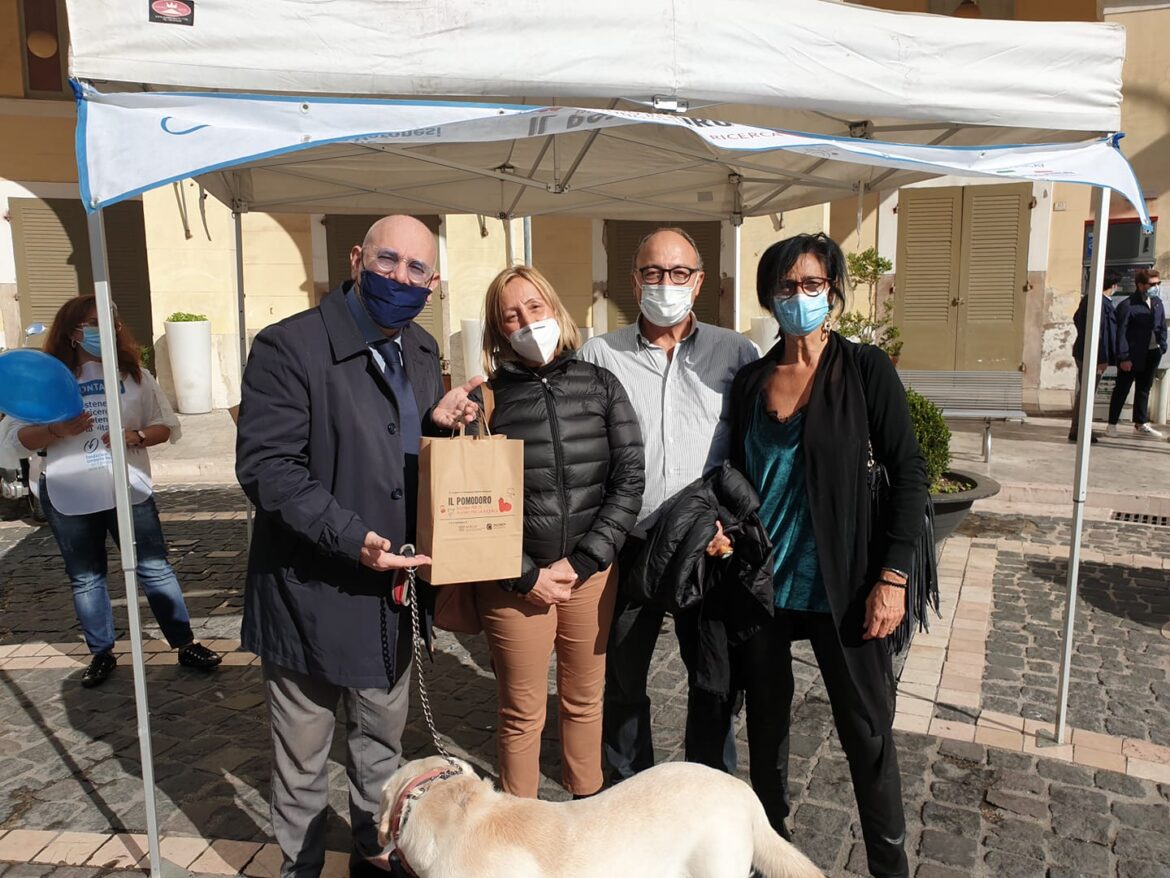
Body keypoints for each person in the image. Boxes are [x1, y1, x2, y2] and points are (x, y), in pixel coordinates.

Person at [235, 215, 482, 878]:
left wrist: (438, 427)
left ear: (432, 281)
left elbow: (401, 452)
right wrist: (352, 538)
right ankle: (303, 867)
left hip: (391, 600)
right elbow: (268, 468)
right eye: (389, 261)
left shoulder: (423, 350)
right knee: (303, 764)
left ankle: (373, 858)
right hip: (309, 592)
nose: (401, 278)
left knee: (379, 748)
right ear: (356, 259)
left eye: (417, 269)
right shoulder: (289, 347)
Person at [729, 233, 926, 878]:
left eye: (813, 284)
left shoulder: (866, 370)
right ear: (770, 294)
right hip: (766, 586)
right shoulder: (753, 380)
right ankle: (774, 856)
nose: (800, 297)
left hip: (846, 591)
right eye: (787, 286)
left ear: (834, 293)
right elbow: (736, 475)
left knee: (867, 732)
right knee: (767, 732)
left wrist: (892, 577)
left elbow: (911, 472)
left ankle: (888, 867)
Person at [578, 227, 758, 781]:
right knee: (622, 680)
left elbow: (752, 450)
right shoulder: (599, 354)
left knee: (712, 680)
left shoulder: (735, 352)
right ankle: (629, 789)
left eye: (678, 274)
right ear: (634, 280)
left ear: (698, 281)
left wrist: (736, 526)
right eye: (653, 273)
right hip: (628, 545)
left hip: (708, 545)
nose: (665, 284)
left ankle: (707, 792)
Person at [473, 265, 644, 798]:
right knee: (522, 712)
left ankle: (586, 806)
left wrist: (586, 560)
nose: (526, 321)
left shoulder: (600, 383)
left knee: (584, 701)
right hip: (515, 585)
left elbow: (629, 478)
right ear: (499, 331)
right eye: (511, 315)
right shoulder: (487, 401)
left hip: (588, 577)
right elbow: (471, 508)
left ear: (554, 309)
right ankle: (515, 827)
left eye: (534, 307)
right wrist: (526, 577)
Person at [2, 296, 221, 687]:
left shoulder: (134, 375)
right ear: (72, 332)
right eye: (92, 322)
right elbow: (12, 440)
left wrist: (134, 436)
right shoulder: (48, 380)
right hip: (69, 492)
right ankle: (101, 653)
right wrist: (56, 431)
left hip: (127, 487)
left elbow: (165, 426)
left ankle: (185, 643)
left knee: (154, 567)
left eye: (111, 321)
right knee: (86, 577)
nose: (104, 329)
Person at [1107, 267, 1167, 439]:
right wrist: (1124, 357)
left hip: (1152, 353)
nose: (1156, 287)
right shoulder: (1128, 305)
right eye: (1152, 284)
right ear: (1141, 285)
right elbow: (1121, 333)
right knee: (1122, 389)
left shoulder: (1157, 302)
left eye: (1158, 283)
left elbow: (1161, 325)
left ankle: (1140, 423)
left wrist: (1162, 345)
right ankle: (1112, 424)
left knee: (1144, 388)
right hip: (1132, 355)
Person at [1068, 270, 1120, 444]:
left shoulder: (1088, 299)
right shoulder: (1101, 303)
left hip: (1083, 351)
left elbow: (1077, 319)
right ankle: (1081, 430)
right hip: (1093, 355)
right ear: (1113, 286)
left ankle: (1077, 429)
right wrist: (1103, 358)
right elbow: (1101, 334)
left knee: (1084, 393)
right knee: (1087, 393)